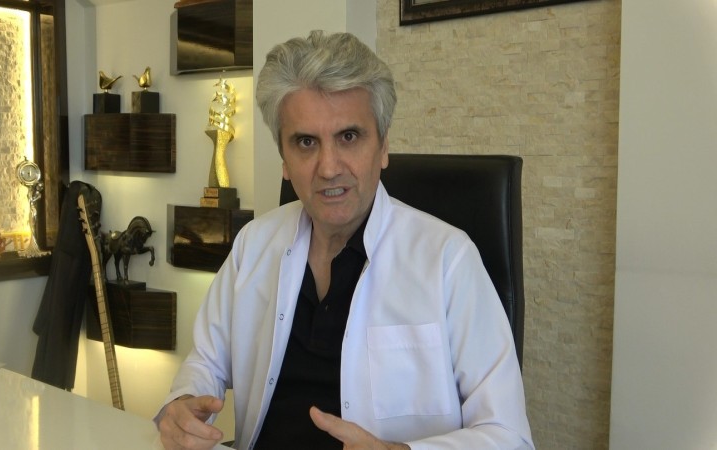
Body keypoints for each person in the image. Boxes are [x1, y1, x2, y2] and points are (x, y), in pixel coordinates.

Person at [155, 30, 534, 450]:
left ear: (383, 147)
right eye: (306, 142)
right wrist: (183, 404)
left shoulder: (448, 259)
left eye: (349, 137)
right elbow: (205, 361)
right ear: (284, 159)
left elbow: (509, 437)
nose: (329, 167)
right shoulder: (254, 244)